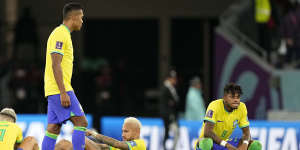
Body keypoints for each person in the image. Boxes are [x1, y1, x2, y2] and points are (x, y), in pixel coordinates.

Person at [42, 3, 87, 150]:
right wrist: (63, 92)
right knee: (81, 122)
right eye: (81, 17)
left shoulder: (63, 34)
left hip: (54, 88)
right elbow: (56, 64)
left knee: (54, 128)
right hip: (59, 89)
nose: (82, 21)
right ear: (73, 18)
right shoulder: (60, 34)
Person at [195, 83, 262, 150]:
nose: (236, 100)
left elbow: (246, 132)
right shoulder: (214, 106)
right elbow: (207, 133)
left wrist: (244, 145)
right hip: (211, 144)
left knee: (255, 145)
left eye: (238, 97)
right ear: (224, 98)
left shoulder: (242, 107)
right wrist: (227, 145)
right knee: (207, 142)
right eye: (232, 97)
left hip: (225, 143)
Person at [159, 70, 180, 150]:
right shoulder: (165, 88)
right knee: (173, 132)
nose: (175, 80)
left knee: (170, 133)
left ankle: (167, 148)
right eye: (173, 78)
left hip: (171, 116)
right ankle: (166, 147)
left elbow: (175, 102)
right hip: (168, 116)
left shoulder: (171, 88)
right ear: (169, 79)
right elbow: (165, 104)